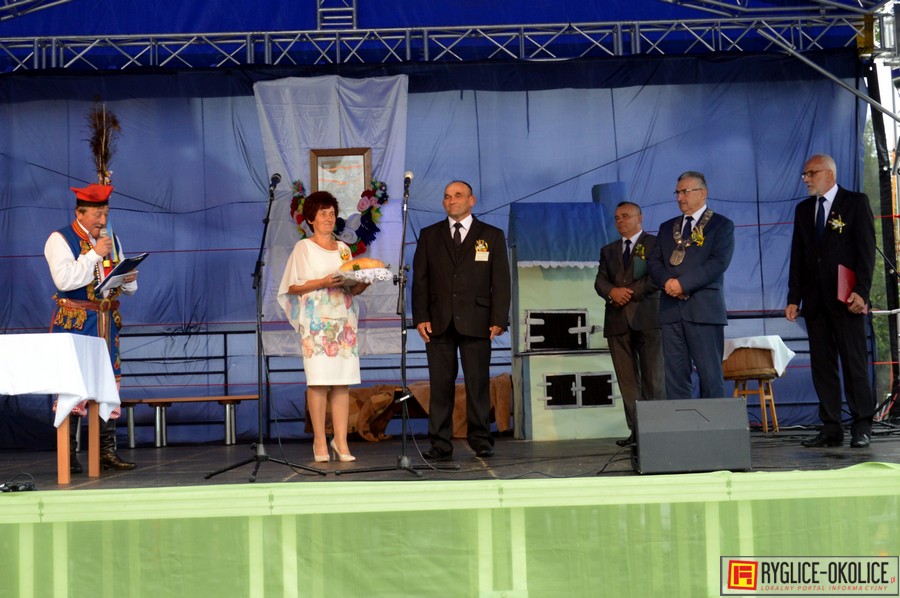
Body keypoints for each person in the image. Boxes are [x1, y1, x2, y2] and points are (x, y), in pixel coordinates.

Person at [412, 180, 511, 461]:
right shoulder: (429, 235)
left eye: (458, 195)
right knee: (440, 385)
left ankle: (481, 439)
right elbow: (420, 280)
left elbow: (500, 280)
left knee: (477, 384)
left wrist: (499, 318)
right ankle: (440, 443)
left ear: (471, 200)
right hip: (438, 321)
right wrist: (420, 317)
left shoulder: (491, 235)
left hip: (478, 320)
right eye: (447, 196)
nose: (451, 200)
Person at [45, 183, 138, 473]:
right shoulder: (60, 239)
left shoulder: (111, 239)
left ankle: (106, 451)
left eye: (106, 213)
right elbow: (65, 280)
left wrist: (128, 278)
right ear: (79, 213)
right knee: (73, 386)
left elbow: (124, 286)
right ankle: (69, 454)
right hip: (76, 322)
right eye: (97, 214)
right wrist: (94, 254)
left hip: (106, 322)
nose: (103, 220)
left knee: (107, 385)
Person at [785, 154, 876, 448]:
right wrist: (793, 297)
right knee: (822, 367)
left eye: (811, 173)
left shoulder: (855, 203)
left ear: (829, 173)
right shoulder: (803, 210)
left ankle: (862, 425)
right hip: (815, 302)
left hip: (846, 299)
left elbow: (866, 251)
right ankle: (831, 426)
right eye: (805, 174)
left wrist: (862, 291)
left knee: (854, 364)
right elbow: (798, 257)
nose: (806, 179)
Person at [277, 191, 371, 463]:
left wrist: (364, 282)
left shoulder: (344, 249)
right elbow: (292, 286)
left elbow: (352, 288)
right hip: (317, 323)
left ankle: (340, 441)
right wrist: (322, 282)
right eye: (323, 214)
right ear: (311, 219)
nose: (329, 218)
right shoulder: (304, 248)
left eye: (332, 213)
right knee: (318, 382)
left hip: (343, 321)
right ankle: (319, 439)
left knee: (342, 382)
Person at [648, 171, 735, 400]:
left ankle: (714, 421)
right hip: (671, 311)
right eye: (677, 192)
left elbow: (718, 263)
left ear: (702, 193)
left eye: (685, 192)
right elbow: (654, 262)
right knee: (675, 376)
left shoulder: (721, 225)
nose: (679, 197)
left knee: (710, 374)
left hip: (703, 309)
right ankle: (681, 421)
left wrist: (682, 284)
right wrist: (668, 283)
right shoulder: (667, 227)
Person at [595, 201, 665, 447]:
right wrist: (612, 292)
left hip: (648, 319)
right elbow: (600, 281)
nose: (620, 221)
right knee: (627, 382)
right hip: (617, 321)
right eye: (616, 218)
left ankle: (656, 433)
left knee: (653, 379)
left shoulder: (655, 244)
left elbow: (657, 277)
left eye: (625, 216)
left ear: (639, 218)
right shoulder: (608, 250)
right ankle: (637, 433)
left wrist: (628, 292)